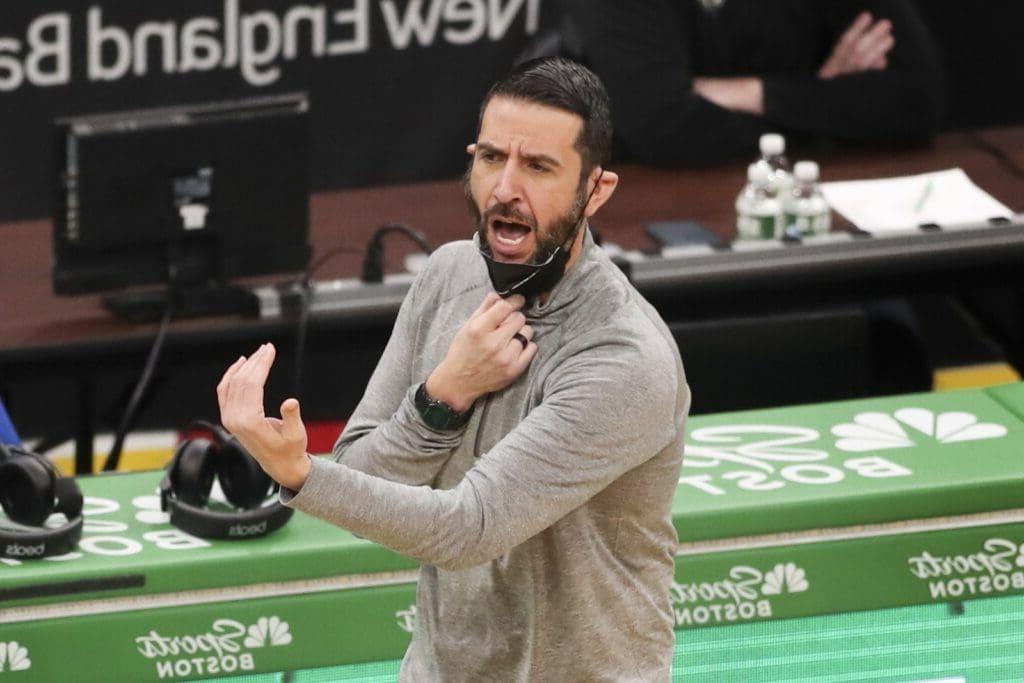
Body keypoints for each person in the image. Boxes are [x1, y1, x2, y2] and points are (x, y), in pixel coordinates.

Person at [218, 58, 690, 681]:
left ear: (596, 190)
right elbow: (362, 470)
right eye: (492, 158)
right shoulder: (448, 276)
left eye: (539, 167)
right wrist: (442, 396)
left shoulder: (624, 358)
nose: (504, 189)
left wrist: (301, 473)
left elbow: (472, 527)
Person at [563, 0, 944, 166]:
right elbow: (662, 128)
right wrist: (822, 104)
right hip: (660, 221)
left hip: (809, 208)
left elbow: (919, 99)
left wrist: (755, 93)